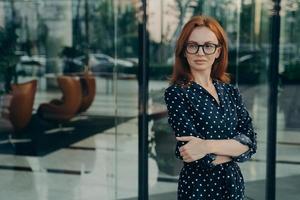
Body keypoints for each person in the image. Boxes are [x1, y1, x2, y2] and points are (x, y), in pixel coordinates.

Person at [164, 15, 257, 200]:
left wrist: (207, 145)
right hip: (199, 188)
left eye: (208, 46)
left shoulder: (231, 91)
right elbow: (191, 153)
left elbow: (251, 143)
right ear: (184, 51)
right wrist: (235, 148)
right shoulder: (177, 93)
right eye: (193, 45)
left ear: (218, 52)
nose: (200, 52)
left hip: (233, 185)